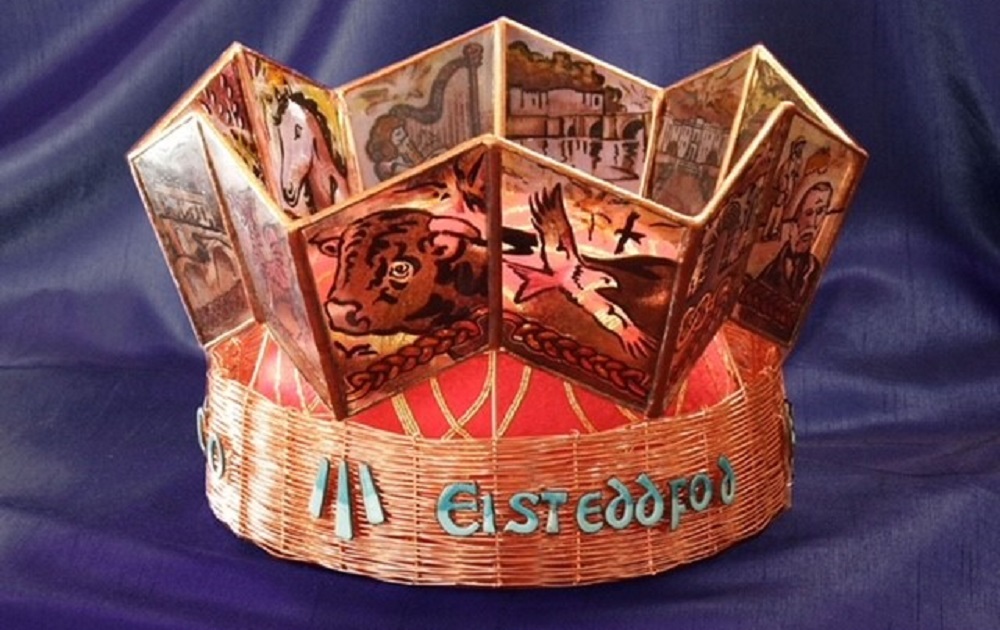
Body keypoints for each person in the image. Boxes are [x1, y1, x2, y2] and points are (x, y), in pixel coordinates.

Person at [755, 181, 833, 301]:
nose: (812, 223)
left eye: (820, 212)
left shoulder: (814, 270)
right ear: (793, 223)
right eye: (808, 213)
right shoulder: (773, 271)